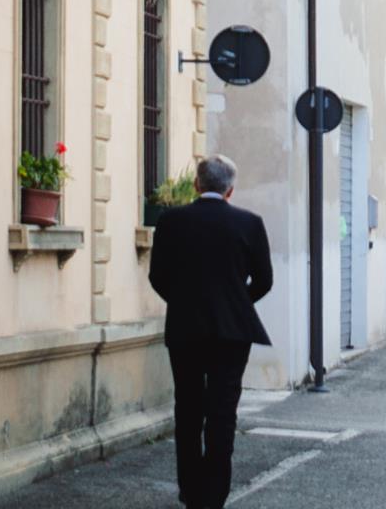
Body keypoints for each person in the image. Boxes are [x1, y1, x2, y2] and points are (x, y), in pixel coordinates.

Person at [146, 154, 273, 509]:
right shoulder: (250, 223)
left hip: (185, 329)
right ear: (230, 190)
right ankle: (213, 495)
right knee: (222, 411)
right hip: (232, 334)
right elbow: (265, 280)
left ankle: (190, 490)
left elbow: (157, 276)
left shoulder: (171, 221)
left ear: (196, 184)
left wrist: (184, 301)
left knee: (187, 408)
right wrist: (236, 303)